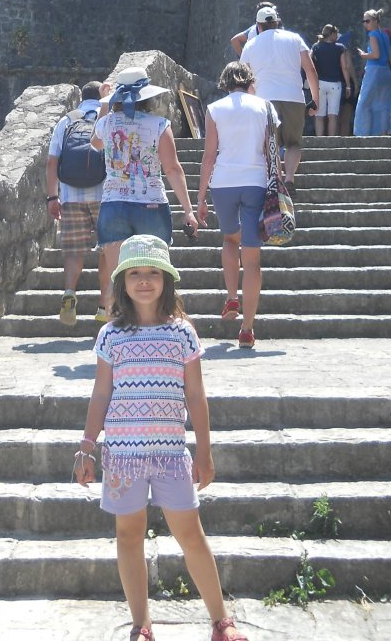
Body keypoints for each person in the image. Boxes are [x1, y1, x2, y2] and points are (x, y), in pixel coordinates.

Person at [74, 235, 248, 641]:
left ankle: (221, 621)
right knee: (128, 535)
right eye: (135, 273)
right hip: (122, 457)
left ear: (167, 279)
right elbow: (101, 393)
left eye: (153, 272)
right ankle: (142, 624)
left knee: (190, 534)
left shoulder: (182, 333)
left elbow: (196, 395)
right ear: (122, 281)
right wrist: (87, 446)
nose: (144, 280)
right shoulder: (111, 336)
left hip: (171, 454)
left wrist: (204, 451)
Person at [91, 66, 198, 283]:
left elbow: (95, 143)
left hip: (113, 205)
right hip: (151, 204)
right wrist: (188, 210)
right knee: (155, 280)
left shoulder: (107, 123)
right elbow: (172, 168)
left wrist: (104, 106)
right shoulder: (159, 125)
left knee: (119, 281)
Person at [197, 61, 274, 349]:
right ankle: (247, 329)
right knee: (252, 258)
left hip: (223, 183)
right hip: (255, 181)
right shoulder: (265, 107)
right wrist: (279, 186)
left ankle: (232, 296)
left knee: (230, 239)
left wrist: (200, 197)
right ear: (249, 80)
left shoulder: (215, 109)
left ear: (225, 81)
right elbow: (270, 151)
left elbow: (209, 156)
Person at [47, 81, 112, 326]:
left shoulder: (67, 121)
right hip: (104, 193)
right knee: (106, 250)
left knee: (73, 250)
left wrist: (52, 197)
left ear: (81, 98)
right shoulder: (107, 117)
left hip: (71, 195)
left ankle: (69, 293)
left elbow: (52, 161)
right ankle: (104, 307)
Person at [240, 5, 319, 198]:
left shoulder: (250, 45)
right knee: (293, 143)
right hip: (294, 97)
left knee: (270, 144)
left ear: (258, 25)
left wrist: (251, 100)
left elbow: (244, 78)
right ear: (277, 22)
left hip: (264, 99)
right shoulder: (294, 38)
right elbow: (310, 70)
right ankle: (290, 178)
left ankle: (276, 179)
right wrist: (315, 100)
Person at [354, 9, 391, 136]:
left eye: (367, 21)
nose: (365, 24)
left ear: (375, 21)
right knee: (384, 104)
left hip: (374, 71)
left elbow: (376, 55)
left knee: (364, 102)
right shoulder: (386, 35)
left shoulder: (373, 35)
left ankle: (363, 133)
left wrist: (364, 55)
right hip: (386, 71)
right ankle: (383, 132)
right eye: (364, 21)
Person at [310, 24, 351, 137]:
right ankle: (331, 140)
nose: (337, 36)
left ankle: (319, 139)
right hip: (335, 84)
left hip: (319, 83)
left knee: (319, 115)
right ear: (332, 34)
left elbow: (310, 63)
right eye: (336, 33)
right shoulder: (340, 48)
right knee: (333, 115)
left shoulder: (316, 47)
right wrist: (348, 85)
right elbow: (344, 67)